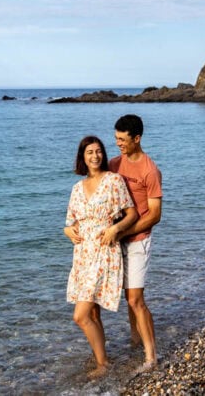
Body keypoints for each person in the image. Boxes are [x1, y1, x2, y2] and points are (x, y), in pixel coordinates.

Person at [63, 135, 138, 377]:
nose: (95, 156)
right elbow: (69, 223)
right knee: (93, 313)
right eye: (89, 153)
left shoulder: (113, 181)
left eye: (98, 151)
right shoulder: (76, 188)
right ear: (82, 158)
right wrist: (67, 231)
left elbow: (132, 214)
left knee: (80, 315)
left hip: (104, 251)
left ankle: (103, 365)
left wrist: (116, 229)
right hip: (82, 254)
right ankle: (101, 358)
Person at [109, 114, 163, 370]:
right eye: (116, 138)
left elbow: (155, 214)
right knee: (127, 295)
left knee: (135, 299)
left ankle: (151, 357)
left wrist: (126, 232)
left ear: (137, 138)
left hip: (139, 240)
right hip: (117, 240)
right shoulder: (114, 164)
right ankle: (135, 339)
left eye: (122, 139)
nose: (118, 143)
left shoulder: (149, 170)